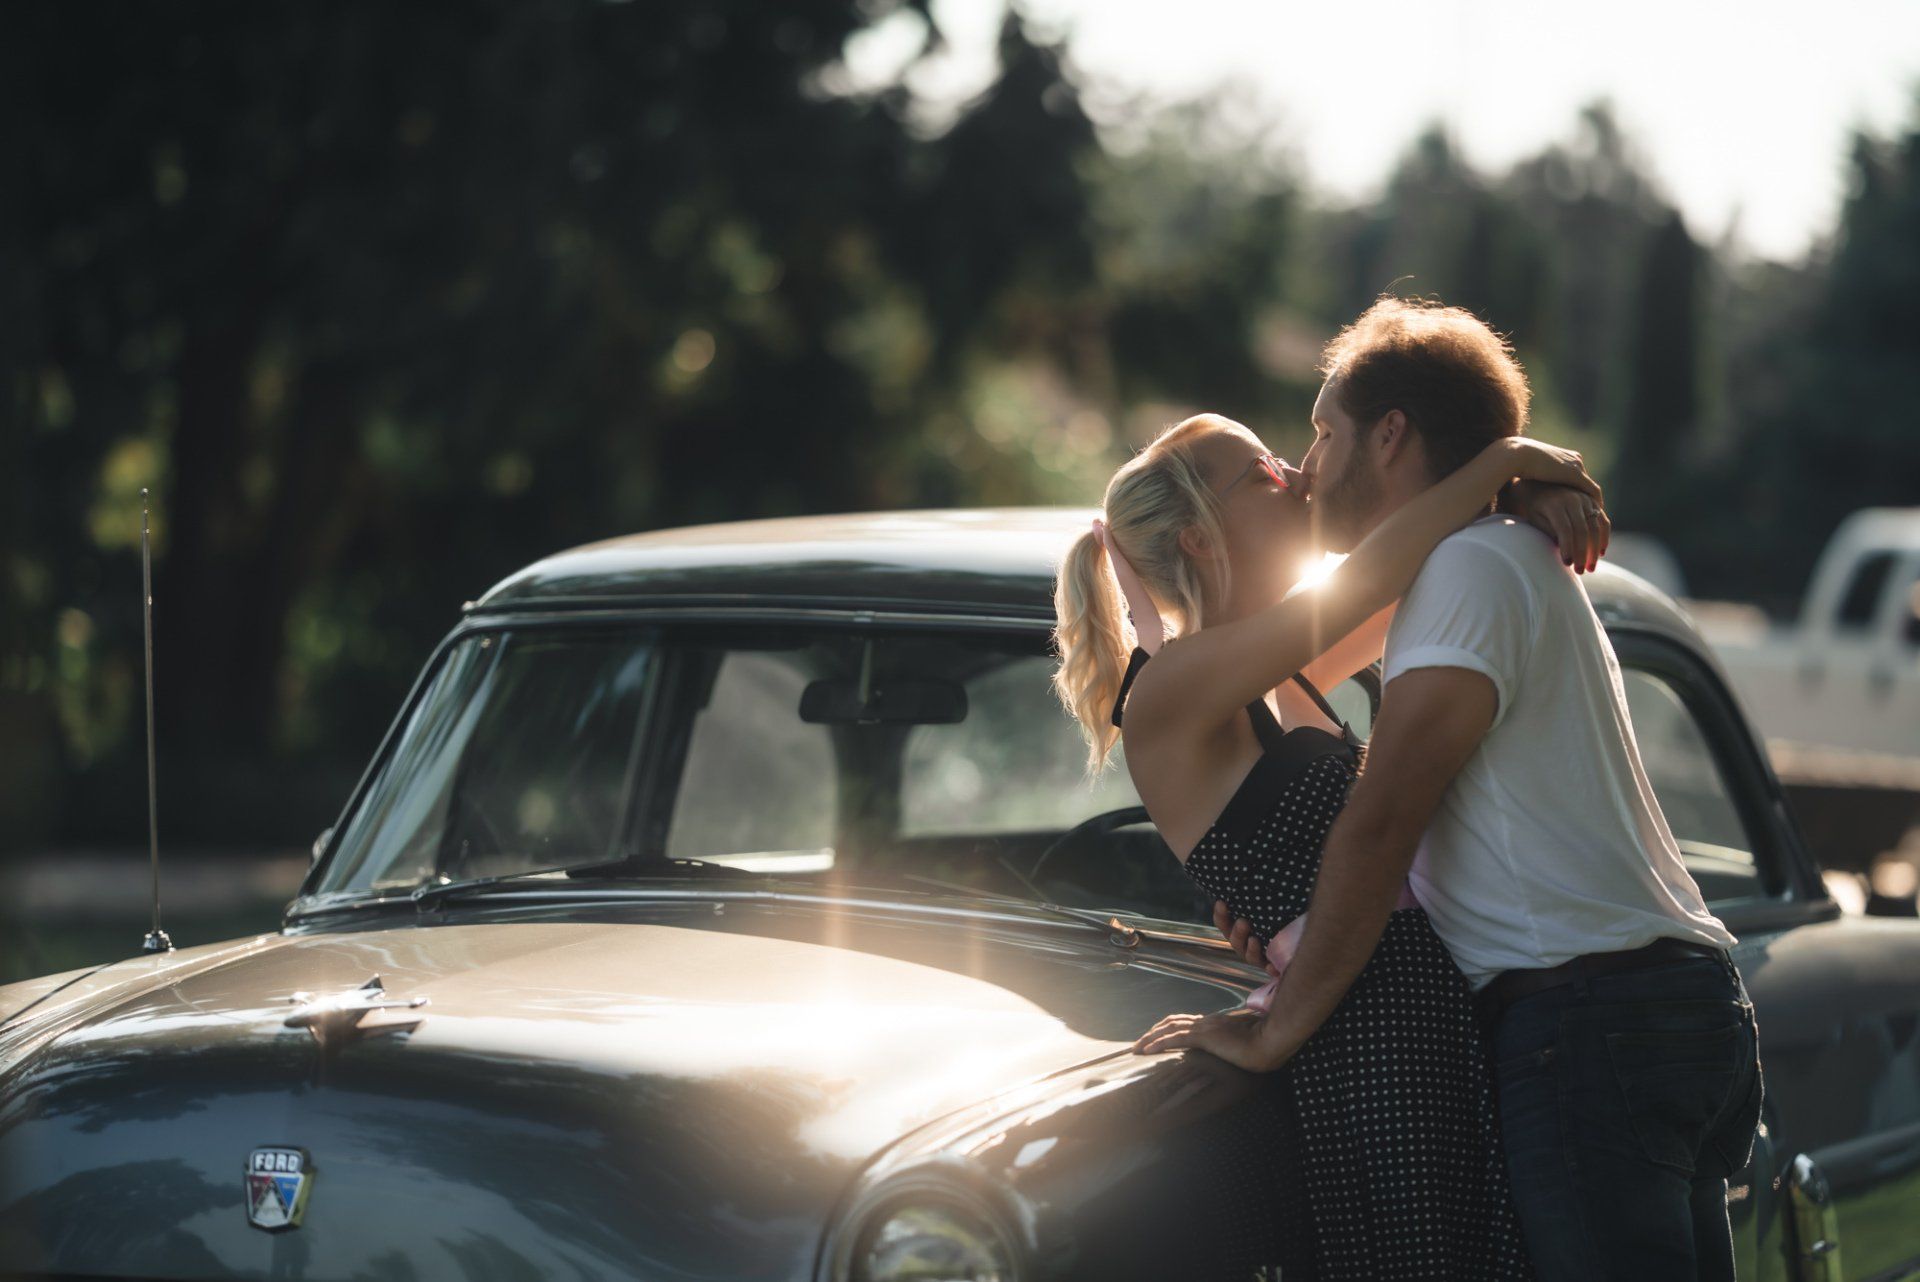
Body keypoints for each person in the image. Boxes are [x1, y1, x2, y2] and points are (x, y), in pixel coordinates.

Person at [1137, 297, 1763, 1282]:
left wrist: (1277, 1024)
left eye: (1319, 434)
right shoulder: (1475, 561)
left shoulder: (1469, 572)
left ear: (1389, 435)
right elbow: (1300, 678)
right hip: (1643, 1006)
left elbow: (1383, 819)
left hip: (1590, 1019)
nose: (1303, 467)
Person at [1053, 400, 1603, 1279]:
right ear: (1199, 536)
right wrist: (1505, 455)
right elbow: (1376, 569)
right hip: (1363, 1037)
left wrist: (1519, 508)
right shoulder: (1172, 689)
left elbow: (1426, 569)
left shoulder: (1286, 665)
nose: (1303, 474)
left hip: (1419, 1011)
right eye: (1268, 471)